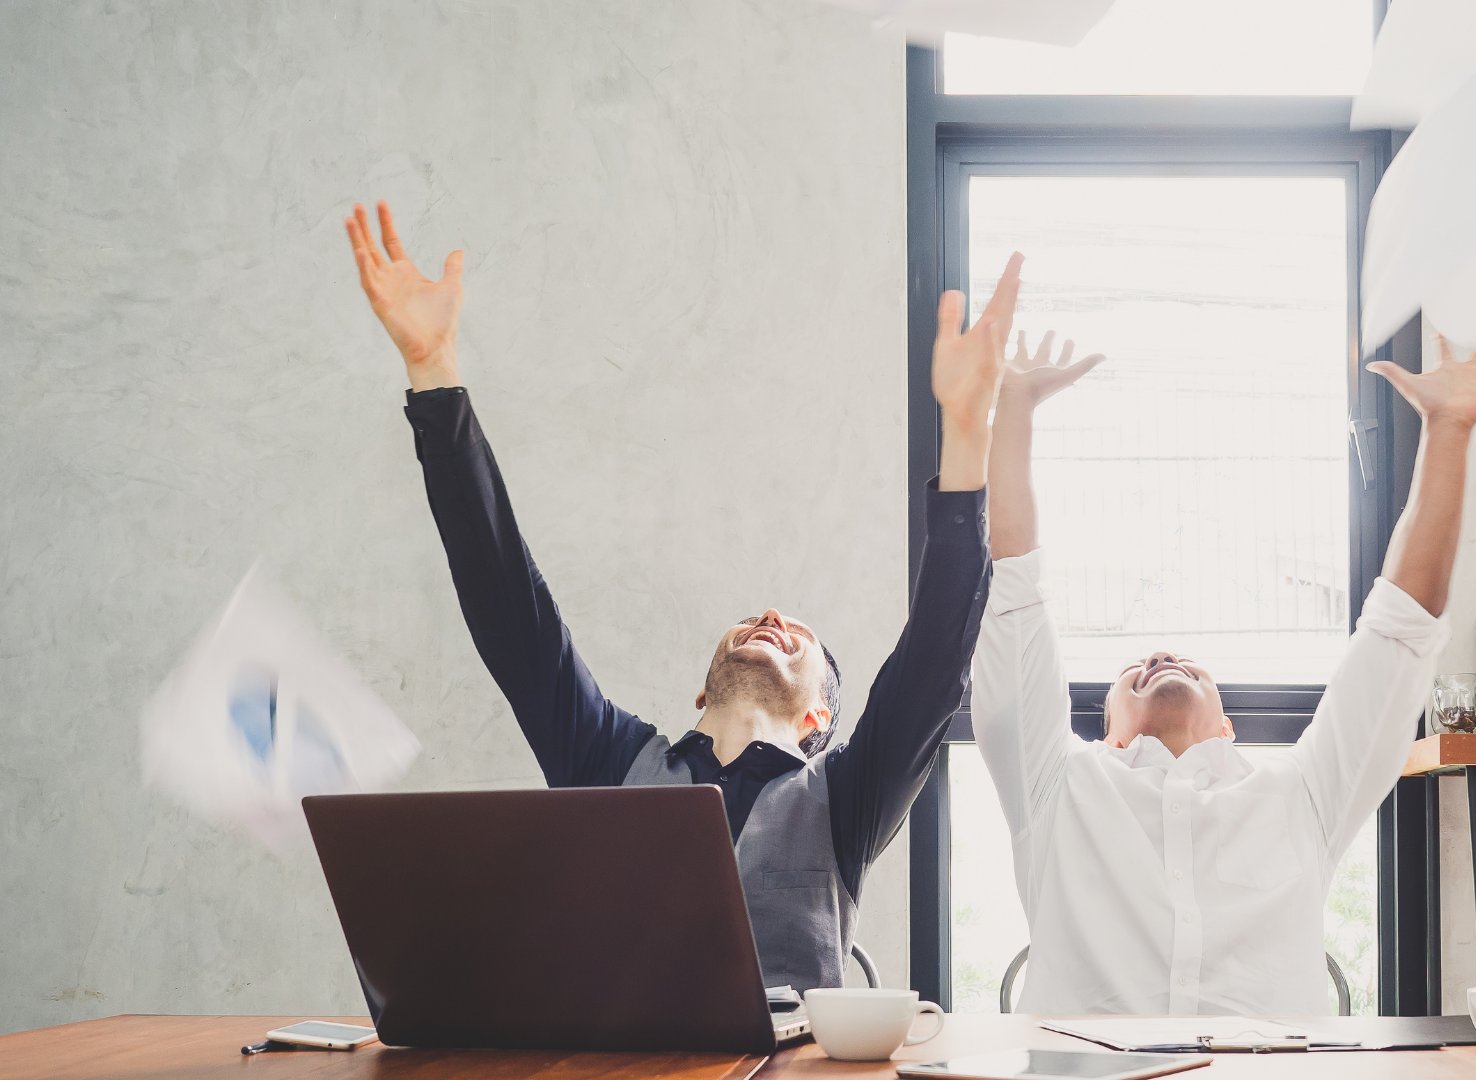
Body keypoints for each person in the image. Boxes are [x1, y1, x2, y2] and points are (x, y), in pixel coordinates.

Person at [344, 200, 1017, 993]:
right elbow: (507, 607)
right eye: (756, 619)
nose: (771, 619)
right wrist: (435, 376)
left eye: (796, 633)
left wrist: (968, 435)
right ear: (702, 686)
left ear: (819, 722)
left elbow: (935, 664)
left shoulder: (843, 796)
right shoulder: (608, 761)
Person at [972, 329, 1476, 1015]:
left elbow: (1400, 631)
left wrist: (1449, 430)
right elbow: (1013, 599)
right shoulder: (1056, 786)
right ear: (1107, 733)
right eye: (1133, 671)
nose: (1160, 659)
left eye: (1188, 666)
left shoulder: (1300, 796)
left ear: (1228, 725)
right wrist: (1012, 412)